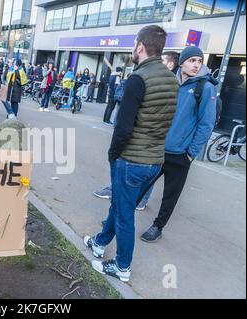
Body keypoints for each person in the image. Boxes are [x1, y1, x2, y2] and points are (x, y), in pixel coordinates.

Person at [84, 25, 178, 282]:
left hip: (132, 159)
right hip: (155, 159)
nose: (132, 50)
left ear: (140, 46)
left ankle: (122, 266)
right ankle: (100, 242)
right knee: (119, 205)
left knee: (124, 214)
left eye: (134, 45)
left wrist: (113, 154)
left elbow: (123, 127)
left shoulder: (138, 78)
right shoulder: (172, 78)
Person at [140, 46, 217, 243]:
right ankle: (118, 219)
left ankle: (158, 226)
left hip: (180, 155)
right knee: (139, 186)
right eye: (192, 60)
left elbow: (206, 125)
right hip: (157, 149)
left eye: (199, 61)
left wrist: (190, 153)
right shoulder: (170, 83)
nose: (196, 65)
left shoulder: (205, 88)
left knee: (170, 196)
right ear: (181, 62)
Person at [93, 51, 182, 210]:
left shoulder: (170, 84)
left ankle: (138, 199)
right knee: (123, 201)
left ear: (170, 64)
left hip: (148, 143)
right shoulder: (149, 76)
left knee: (124, 208)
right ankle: (116, 193)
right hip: (137, 139)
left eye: (161, 60)